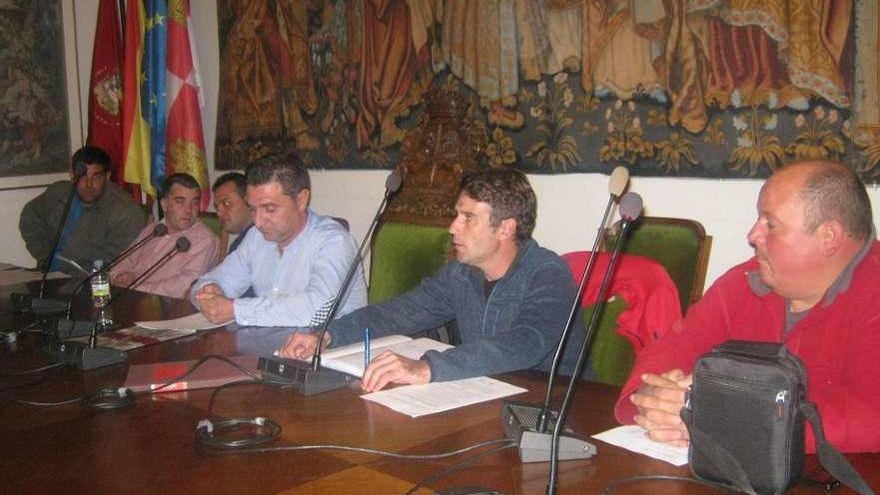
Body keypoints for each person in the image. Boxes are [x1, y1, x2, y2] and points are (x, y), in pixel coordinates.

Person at [618, 160, 880, 453]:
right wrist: (653, 396)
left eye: (771, 224)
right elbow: (674, 347)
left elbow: (870, 418)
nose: (753, 235)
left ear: (828, 237)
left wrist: (727, 420)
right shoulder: (744, 282)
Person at [279, 169, 583, 393]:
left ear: (505, 229)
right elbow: (400, 311)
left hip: (551, 405)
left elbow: (524, 344)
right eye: (456, 215)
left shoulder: (548, 274)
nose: (452, 227)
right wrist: (329, 335)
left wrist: (427, 367)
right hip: (483, 395)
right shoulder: (461, 273)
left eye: (467, 218)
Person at [191, 153, 367, 327]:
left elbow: (319, 310)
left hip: (331, 349)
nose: (258, 222)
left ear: (301, 200)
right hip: (270, 345)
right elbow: (208, 281)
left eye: (269, 208)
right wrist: (209, 292)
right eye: (252, 209)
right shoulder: (256, 238)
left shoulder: (334, 242)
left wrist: (236, 309)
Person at [19, 146, 148, 275]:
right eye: (83, 176)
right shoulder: (57, 193)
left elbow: (117, 261)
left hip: (91, 282)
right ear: (72, 175)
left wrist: (67, 269)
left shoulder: (127, 212)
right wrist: (45, 255)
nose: (89, 184)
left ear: (107, 176)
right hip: (46, 275)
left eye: (96, 177)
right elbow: (30, 219)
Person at [111, 174, 218, 299]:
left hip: (169, 310)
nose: (189, 210)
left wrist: (135, 289)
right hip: (128, 300)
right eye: (180, 202)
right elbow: (124, 260)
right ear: (164, 205)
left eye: (194, 202)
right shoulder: (152, 230)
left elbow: (184, 286)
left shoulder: (204, 239)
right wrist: (121, 275)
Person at [212, 172, 253, 254]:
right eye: (217, 208)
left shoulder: (263, 238)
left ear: (248, 200)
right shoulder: (241, 239)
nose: (219, 214)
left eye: (226, 203)